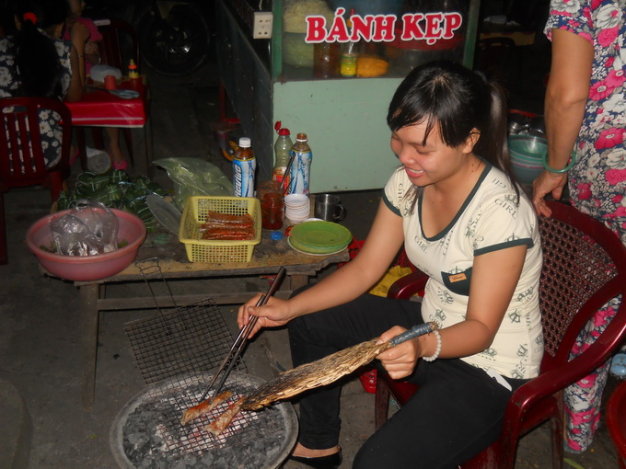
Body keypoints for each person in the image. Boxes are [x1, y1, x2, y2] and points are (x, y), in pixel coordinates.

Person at [238, 60, 544, 468]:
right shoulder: (407, 183)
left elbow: (482, 330)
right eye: (399, 140)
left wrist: (419, 344)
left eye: (423, 148)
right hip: (430, 325)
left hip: (489, 368)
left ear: (469, 139)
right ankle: (319, 442)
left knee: (377, 463)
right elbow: (366, 270)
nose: (406, 156)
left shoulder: (500, 214)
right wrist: (288, 307)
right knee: (310, 317)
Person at [532, 0, 625, 454]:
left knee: (602, 295)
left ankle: (578, 433)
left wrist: (555, 166)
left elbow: (567, 93)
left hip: (614, 159)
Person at [0, 0, 84, 167]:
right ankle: (60, 186)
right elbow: (75, 98)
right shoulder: (63, 50)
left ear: (17, 21)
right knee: (71, 147)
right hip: (47, 155)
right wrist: (78, 46)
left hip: (3, 160)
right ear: (60, 27)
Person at [64, 0, 129, 171]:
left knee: (109, 96)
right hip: (66, 81)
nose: (81, 3)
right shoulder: (56, 27)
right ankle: (68, 147)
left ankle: (114, 145)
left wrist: (88, 52)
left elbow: (97, 59)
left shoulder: (86, 25)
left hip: (89, 77)